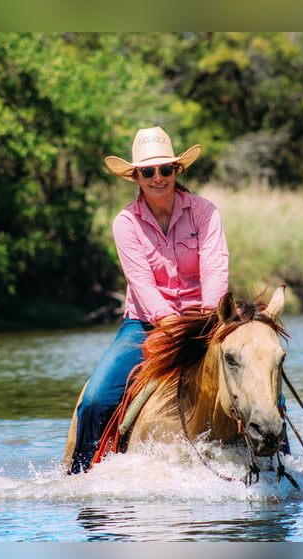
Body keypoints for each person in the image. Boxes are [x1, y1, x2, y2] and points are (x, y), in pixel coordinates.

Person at [68, 126, 230, 474]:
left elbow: (216, 270)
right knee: (96, 400)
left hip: (204, 320)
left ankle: (281, 463)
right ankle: (80, 478)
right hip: (145, 324)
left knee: (262, 382)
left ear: (177, 170)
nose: (158, 178)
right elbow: (141, 284)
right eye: (148, 171)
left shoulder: (205, 212)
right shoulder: (125, 223)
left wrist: (205, 321)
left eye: (165, 169)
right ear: (136, 178)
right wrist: (170, 326)